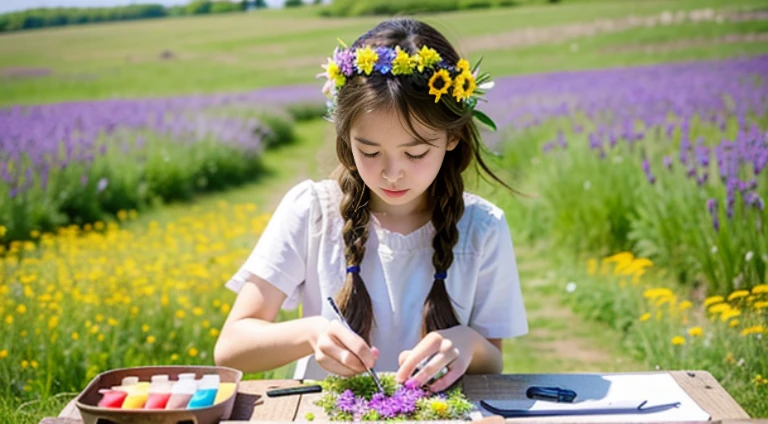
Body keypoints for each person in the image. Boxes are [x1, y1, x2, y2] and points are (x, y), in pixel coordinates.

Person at [214, 17, 527, 392]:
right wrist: (312, 333)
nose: (392, 174)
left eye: (415, 153)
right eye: (370, 151)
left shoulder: (483, 228)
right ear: (346, 138)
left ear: (452, 137)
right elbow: (231, 348)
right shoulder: (312, 212)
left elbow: (493, 360)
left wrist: (466, 343)